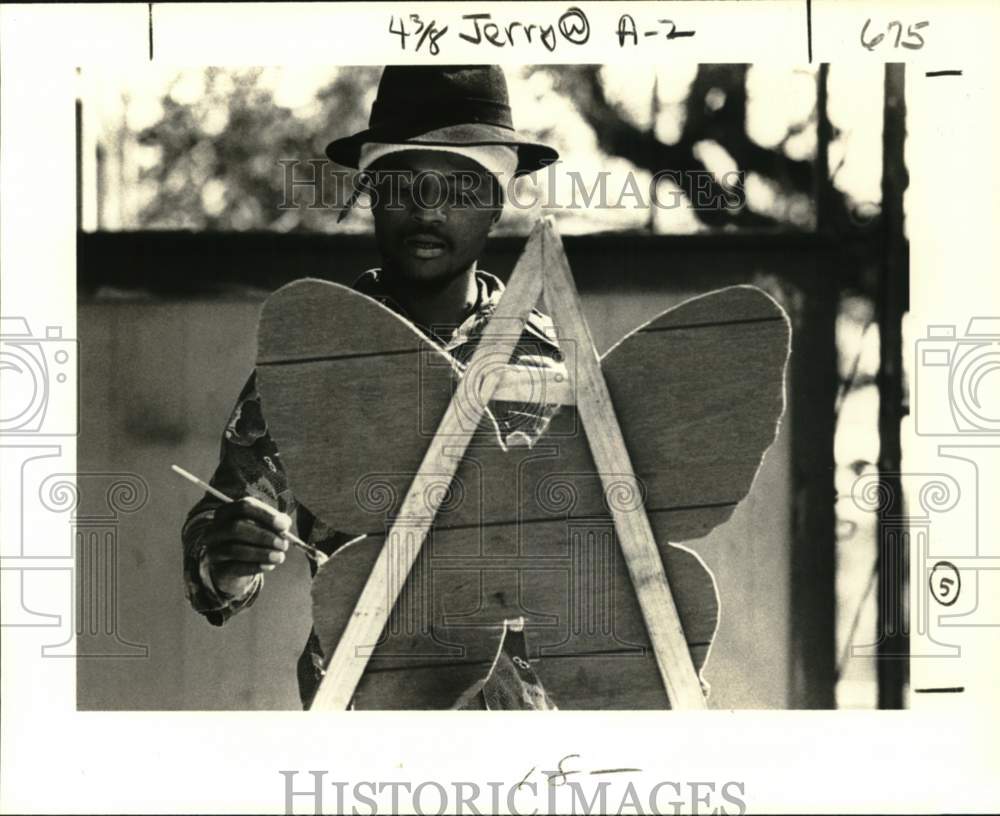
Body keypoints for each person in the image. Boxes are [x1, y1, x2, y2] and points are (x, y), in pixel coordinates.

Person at [181, 65, 564, 709]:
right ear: (370, 196)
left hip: (528, 742)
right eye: (402, 184)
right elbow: (220, 541)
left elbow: (610, 554)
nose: (429, 208)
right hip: (366, 727)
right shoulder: (311, 360)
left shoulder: (553, 365)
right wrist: (229, 558)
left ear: (497, 203)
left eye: (461, 186)